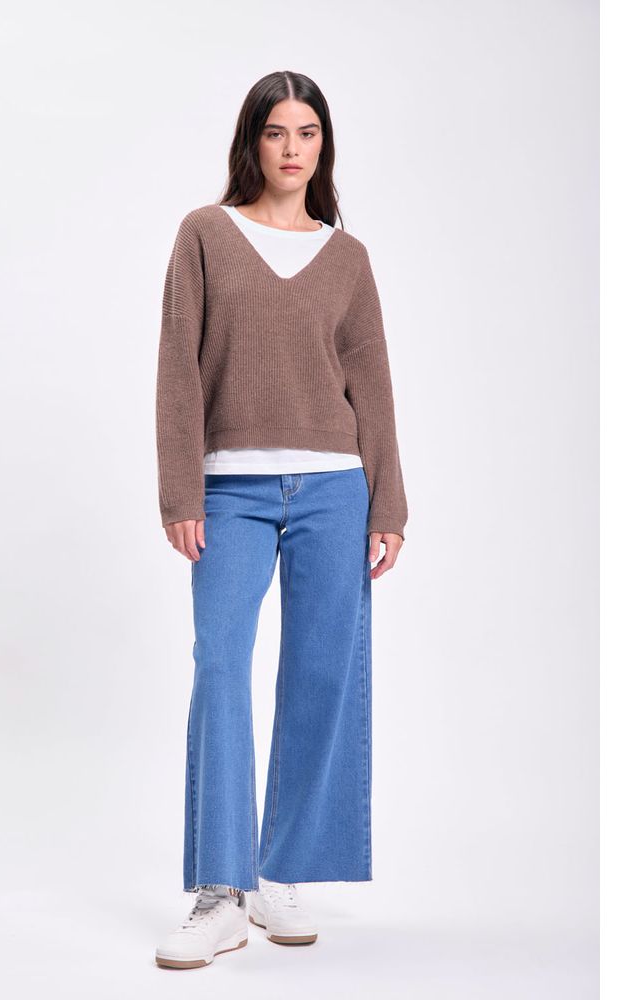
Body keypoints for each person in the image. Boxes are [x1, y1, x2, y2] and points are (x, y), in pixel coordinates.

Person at [153, 70, 408, 970]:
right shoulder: (206, 234)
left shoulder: (348, 257)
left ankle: (281, 871)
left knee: (321, 676)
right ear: (252, 142)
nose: (292, 148)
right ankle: (220, 892)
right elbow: (178, 367)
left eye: (307, 133)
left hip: (336, 490)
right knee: (221, 664)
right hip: (230, 490)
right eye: (276, 132)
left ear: (323, 146)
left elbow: (372, 383)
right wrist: (181, 490)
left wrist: (389, 502)